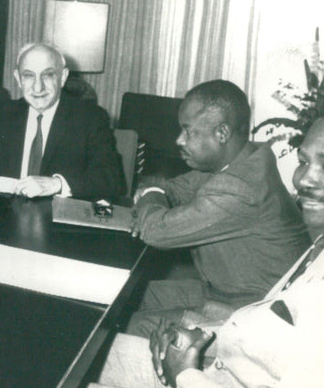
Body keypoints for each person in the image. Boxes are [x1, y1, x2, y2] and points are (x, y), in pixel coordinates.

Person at [73, 94, 324, 388]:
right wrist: (201, 338)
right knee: (75, 355)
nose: (303, 180)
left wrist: (186, 376)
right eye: (304, 161)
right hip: (226, 369)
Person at [127, 80, 310, 335]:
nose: (179, 140)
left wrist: (149, 193)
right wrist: (156, 194)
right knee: (129, 294)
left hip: (253, 316)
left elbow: (155, 231)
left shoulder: (239, 186)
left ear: (222, 133)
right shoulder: (243, 157)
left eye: (188, 131)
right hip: (225, 291)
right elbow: (174, 189)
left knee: (135, 324)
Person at [0, 43, 126, 199]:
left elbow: (111, 178)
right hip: (5, 218)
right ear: (18, 79)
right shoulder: (3, 113)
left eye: (48, 75)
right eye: (29, 76)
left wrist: (57, 184)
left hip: (55, 226)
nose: (38, 87)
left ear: (62, 77)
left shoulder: (90, 118)